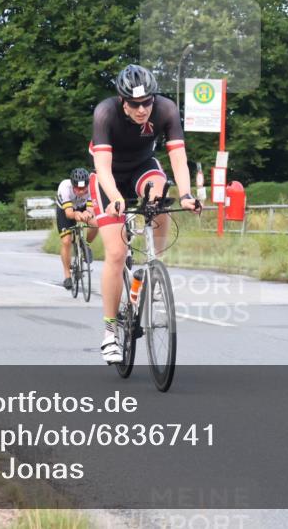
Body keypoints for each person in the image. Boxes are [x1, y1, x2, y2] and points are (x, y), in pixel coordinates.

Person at [90, 65, 200, 363]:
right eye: (135, 105)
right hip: (109, 177)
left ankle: (155, 263)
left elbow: (178, 156)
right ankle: (110, 332)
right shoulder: (105, 113)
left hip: (142, 168)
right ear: (122, 101)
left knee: (160, 195)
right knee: (115, 253)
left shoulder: (165, 109)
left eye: (147, 103)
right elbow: (101, 167)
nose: (142, 110)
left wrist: (188, 194)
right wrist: (114, 198)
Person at [56, 167, 98, 289]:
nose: (81, 191)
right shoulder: (65, 187)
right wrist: (77, 215)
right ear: (72, 185)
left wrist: (88, 214)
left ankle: (86, 246)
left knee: (96, 223)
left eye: (83, 189)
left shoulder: (91, 187)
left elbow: (90, 209)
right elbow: (69, 213)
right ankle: (67, 275)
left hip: (82, 206)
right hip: (65, 210)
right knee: (66, 241)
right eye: (78, 189)